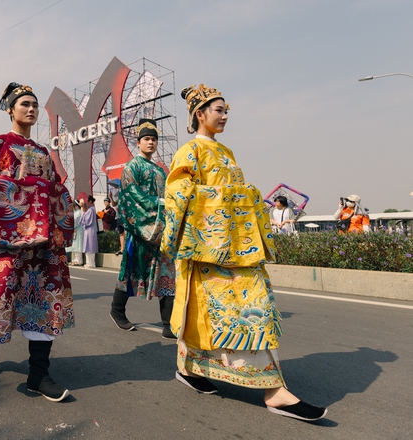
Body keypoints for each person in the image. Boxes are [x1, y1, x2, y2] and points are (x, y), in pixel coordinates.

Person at [161, 84, 327, 422]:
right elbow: (178, 196)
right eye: (219, 110)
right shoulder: (189, 152)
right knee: (237, 311)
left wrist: (243, 197)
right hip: (208, 252)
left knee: (250, 309)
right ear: (200, 114)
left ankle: (193, 370)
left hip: (238, 249)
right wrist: (230, 198)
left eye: (225, 111)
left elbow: (233, 197)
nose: (224, 116)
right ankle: (273, 391)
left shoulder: (227, 153)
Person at [0, 82, 74, 402]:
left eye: (35, 105)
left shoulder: (42, 152)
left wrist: (59, 222)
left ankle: (39, 374)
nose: (31, 109)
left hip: (42, 243)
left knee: (44, 299)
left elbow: (55, 189)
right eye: (24, 103)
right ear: (10, 109)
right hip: (5, 238)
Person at [110, 119, 176, 338]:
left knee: (167, 274)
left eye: (154, 139)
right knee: (130, 271)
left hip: (161, 229)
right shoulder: (132, 167)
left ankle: (168, 324)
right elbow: (131, 198)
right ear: (138, 142)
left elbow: (168, 196)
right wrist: (158, 205)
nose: (151, 143)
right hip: (140, 230)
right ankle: (117, 311)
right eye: (147, 139)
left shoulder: (160, 170)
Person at [80, 195, 98, 268]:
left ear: (90, 201)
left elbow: (87, 221)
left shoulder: (91, 209)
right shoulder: (90, 209)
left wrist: (83, 212)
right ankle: (89, 262)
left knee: (90, 246)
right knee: (88, 246)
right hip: (89, 230)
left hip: (90, 230)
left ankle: (91, 263)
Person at [65, 201, 84, 265]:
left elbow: (75, 221)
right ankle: (75, 260)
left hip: (78, 230)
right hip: (75, 231)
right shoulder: (76, 212)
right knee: (75, 246)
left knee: (78, 246)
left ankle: (79, 261)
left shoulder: (78, 213)